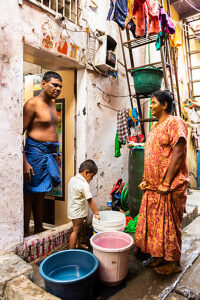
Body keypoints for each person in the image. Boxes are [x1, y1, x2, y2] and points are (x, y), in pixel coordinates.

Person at [134, 90, 189, 275]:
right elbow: (151, 156)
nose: (150, 106)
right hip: (153, 188)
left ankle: (173, 263)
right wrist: (144, 179)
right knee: (156, 227)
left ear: (164, 105)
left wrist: (166, 182)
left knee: (170, 227)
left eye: (154, 103)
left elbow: (179, 152)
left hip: (169, 187)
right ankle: (158, 257)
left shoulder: (174, 122)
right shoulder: (155, 127)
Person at [23, 71, 63, 236]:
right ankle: (24, 231)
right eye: (54, 84)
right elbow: (19, 133)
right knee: (30, 193)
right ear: (43, 84)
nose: (58, 88)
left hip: (50, 154)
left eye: (60, 86)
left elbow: (53, 129)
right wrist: (24, 162)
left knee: (41, 193)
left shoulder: (53, 104)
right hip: (35, 153)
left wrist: (57, 152)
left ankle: (38, 227)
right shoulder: (32, 104)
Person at [68, 159, 100, 249]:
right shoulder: (83, 184)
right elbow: (90, 200)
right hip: (78, 212)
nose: (92, 179)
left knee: (79, 229)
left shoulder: (72, 180)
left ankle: (78, 244)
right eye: (92, 176)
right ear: (86, 172)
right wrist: (96, 213)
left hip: (73, 210)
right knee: (75, 231)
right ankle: (71, 251)